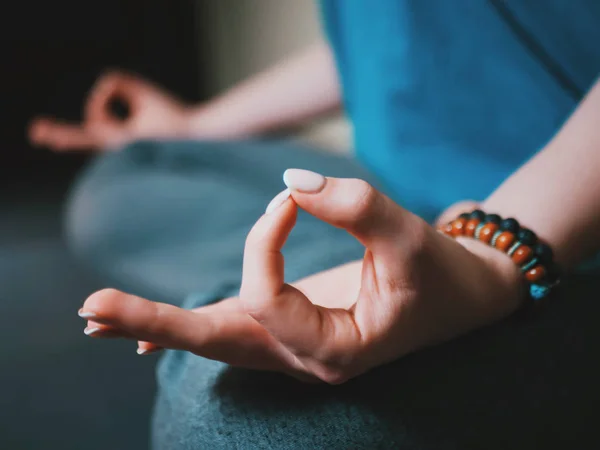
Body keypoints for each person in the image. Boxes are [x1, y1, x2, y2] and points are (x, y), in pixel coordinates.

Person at [30, 1, 600, 448]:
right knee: (123, 182)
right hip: (397, 190)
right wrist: (196, 125)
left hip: (563, 238)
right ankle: (341, 282)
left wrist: (490, 257)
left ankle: (344, 290)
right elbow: (396, 33)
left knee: (240, 430)